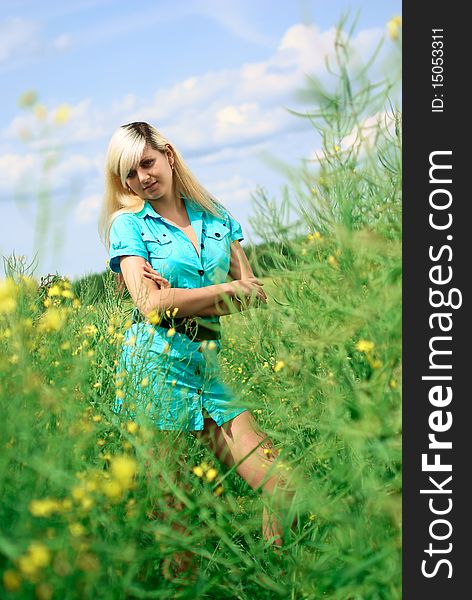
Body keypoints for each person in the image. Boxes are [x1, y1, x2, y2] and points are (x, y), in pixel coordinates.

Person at [99, 122, 294, 558]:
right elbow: (151, 306)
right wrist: (224, 294)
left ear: (168, 154)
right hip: (155, 366)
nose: (142, 178)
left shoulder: (215, 215)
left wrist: (182, 298)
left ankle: (274, 570)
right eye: (129, 173)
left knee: (281, 485)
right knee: (178, 520)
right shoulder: (128, 226)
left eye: (146, 163)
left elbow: (255, 292)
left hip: (208, 364)